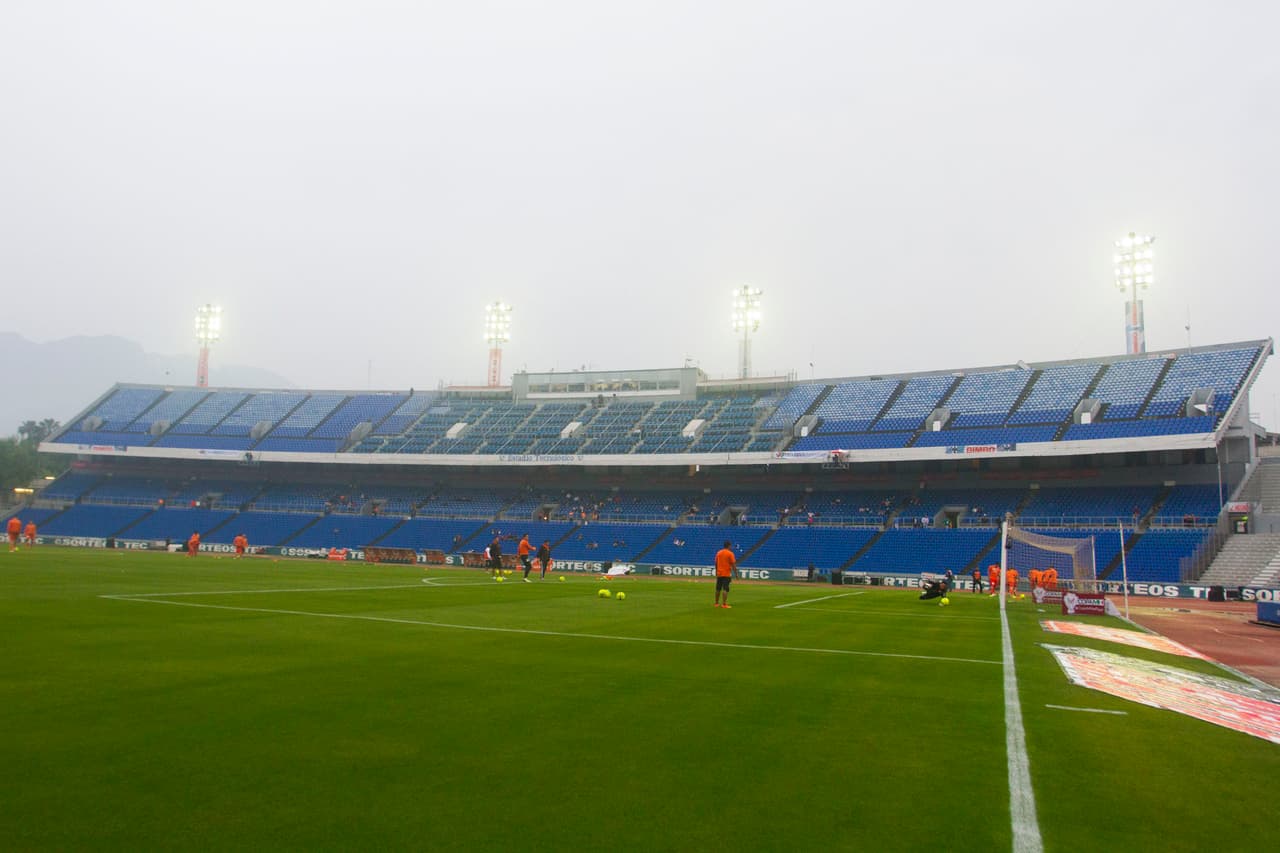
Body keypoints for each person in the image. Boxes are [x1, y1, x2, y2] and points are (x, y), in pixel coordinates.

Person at [714, 540, 736, 609]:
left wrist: (717, 571)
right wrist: (736, 573)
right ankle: (724, 604)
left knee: (718, 589)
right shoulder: (730, 553)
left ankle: (716, 603)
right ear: (729, 546)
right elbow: (733, 564)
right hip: (726, 574)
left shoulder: (719, 553)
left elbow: (716, 563)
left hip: (719, 573)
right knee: (725, 589)